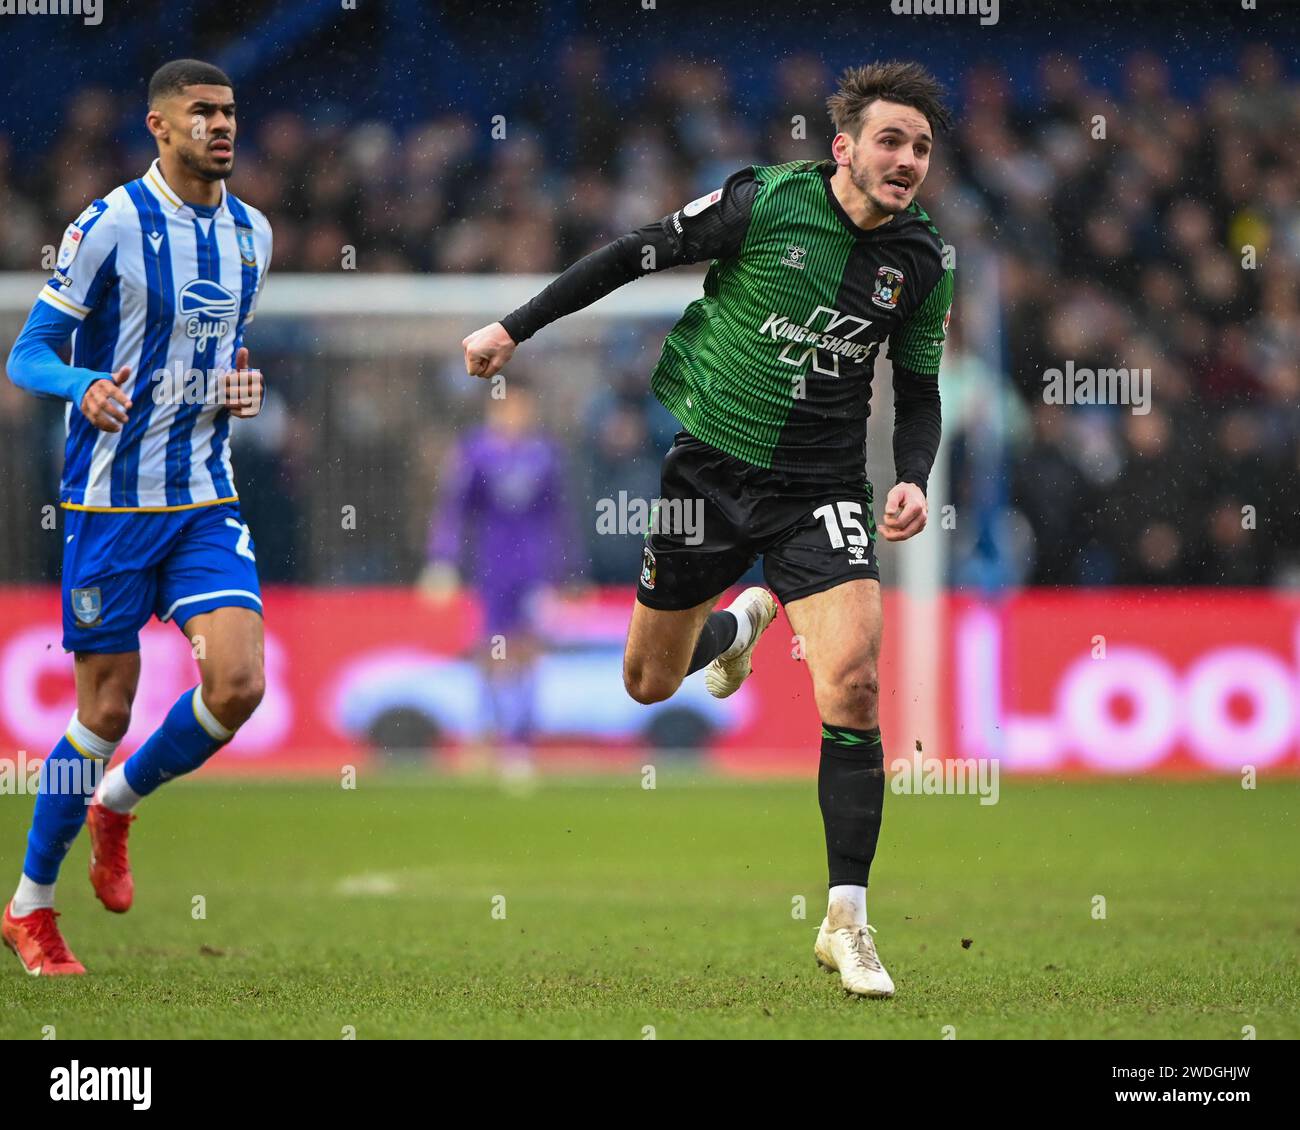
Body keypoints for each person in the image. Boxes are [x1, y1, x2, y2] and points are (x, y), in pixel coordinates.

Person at [462, 61, 953, 998]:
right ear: (843, 147)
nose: (907, 160)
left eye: (922, 147)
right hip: (708, 475)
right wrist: (515, 327)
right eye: (891, 140)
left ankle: (847, 919)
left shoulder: (923, 262)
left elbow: (920, 388)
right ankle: (743, 622)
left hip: (822, 490)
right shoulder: (762, 202)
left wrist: (914, 478)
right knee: (647, 680)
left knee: (851, 684)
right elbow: (631, 252)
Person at [3, 59, 272, 974]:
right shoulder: (111, 224)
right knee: (104, 708)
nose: (221, 127)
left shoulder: (252, 235)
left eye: (230, 113)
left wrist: (236, 383)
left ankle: (116, 801)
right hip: (109, 506)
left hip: (202, 496)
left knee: (238, 686)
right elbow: (28, 353)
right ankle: (31, 906)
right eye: (202, 113)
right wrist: (81, 386)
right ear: (159, 127)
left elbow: (220, 343)